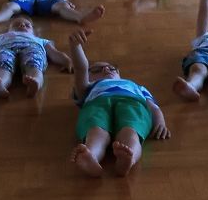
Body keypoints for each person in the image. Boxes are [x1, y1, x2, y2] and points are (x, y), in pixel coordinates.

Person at [69, 31, 169, 177]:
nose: (106, 69)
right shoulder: (88, 87)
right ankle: (91, 156)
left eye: (111, 68)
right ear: (89, 77)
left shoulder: (136, 86)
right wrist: (76, 47)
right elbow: (80, 68)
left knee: (131, 130)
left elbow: (152, 106)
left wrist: (160, 122)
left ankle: (129, 158)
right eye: (96, 70)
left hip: (132, 102)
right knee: (96, 130)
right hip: (97, 104)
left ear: (119, 74)